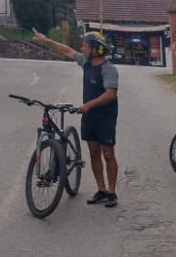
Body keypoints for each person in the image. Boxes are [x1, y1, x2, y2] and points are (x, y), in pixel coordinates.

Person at [31, 28, 121, 207]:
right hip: (89, 116)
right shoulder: (86, 63)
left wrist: (87, 106)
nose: (82, 48)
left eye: (85, 46)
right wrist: (46, 40)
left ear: (95, 49)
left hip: (105, 116)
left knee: (108, 154)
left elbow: (110, 94)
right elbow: (67, 51)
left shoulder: (108, 69)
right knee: (94, 152)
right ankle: (101, 190)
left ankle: (112, 192)